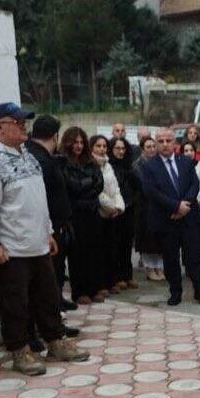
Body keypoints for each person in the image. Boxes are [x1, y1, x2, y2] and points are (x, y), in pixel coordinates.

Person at [0, 102, 89, 375]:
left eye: (25, 122)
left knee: (48, 297)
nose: (24, 127)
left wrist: (47, 232)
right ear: (0, 127)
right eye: (18, 122)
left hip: (38, 244)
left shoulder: (29, 157)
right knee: (15, 304)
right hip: (11, 250)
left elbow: (38, 201)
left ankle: (55, 341)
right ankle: (20, 351)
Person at [142, 127, 200, 307]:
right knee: (170, 259)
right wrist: (175, 206)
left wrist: (185, 205)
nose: (165, 144)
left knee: (194, 258)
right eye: (161, 141)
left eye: (168, 140)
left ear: (174, 142)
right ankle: (175, 292)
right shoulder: (149, 166)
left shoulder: (185, 161)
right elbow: (151, 192)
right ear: (156, 143)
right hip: (166, 220)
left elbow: (194, 184)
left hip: (188, 218)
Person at [25, 115, 75, 310]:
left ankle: (57, 302)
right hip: (48, 226)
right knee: (49, 272)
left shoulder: (36, 155)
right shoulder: (40, 160)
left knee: (57, 269)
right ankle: (52, 313)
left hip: (52, 224)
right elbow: (41, 197)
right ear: (55, 136)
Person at [59, 128, 105, 305]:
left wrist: (84, 186)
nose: (78, 146)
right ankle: (80, 291)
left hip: (92, 212)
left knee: (94, 251)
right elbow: (73, 186)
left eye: (81, 142)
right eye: (75, 142)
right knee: (78, 253)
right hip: (76, 214)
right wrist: (87, 184)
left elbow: (99, 183)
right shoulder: (64, 163)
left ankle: (94, 288)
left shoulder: (90, 162)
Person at [90, 134, 125, 294]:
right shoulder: (91, 165)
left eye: (104, 146)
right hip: (99, 213)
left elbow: (116, 189)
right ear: (92, 147)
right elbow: (97, 191)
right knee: (99, 251)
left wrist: (118, 207)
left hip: (112, 214)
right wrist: (111, 208)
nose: (102, 149)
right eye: (98, 146)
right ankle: (100, 284)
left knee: (112, 249)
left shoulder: (108, 165)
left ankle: (111, 281)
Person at [108, 136, 141, 290]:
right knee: (114, 244)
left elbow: (138, 186)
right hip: (114, 210)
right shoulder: (109, 167)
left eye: (123, 149)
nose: (121, 152)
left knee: (127, 244)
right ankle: (115, 277)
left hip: (129, 208)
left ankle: (127, 275)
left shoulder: (129, 167)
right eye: (117, 148)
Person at [133, 135, 164, 281]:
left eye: (153, 146)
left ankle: (159, 267)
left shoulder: (160, 162)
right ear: (142, 149)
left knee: (158, 240)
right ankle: (149, 268)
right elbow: (146, 186)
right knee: (147, 240)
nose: (151, 149)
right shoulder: (138, 165)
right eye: (148, 147)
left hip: (159, 207)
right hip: (144, 207)